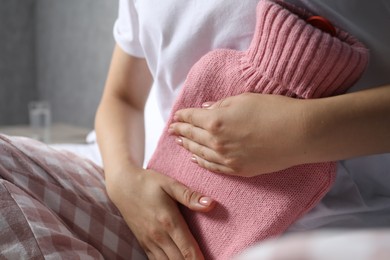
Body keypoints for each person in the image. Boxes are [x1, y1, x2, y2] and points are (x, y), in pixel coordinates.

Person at [0, 0, 388, 259]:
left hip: (324, 228)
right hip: (137, 191)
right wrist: (123, 179)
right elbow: (122, 99)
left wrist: (301, 133)